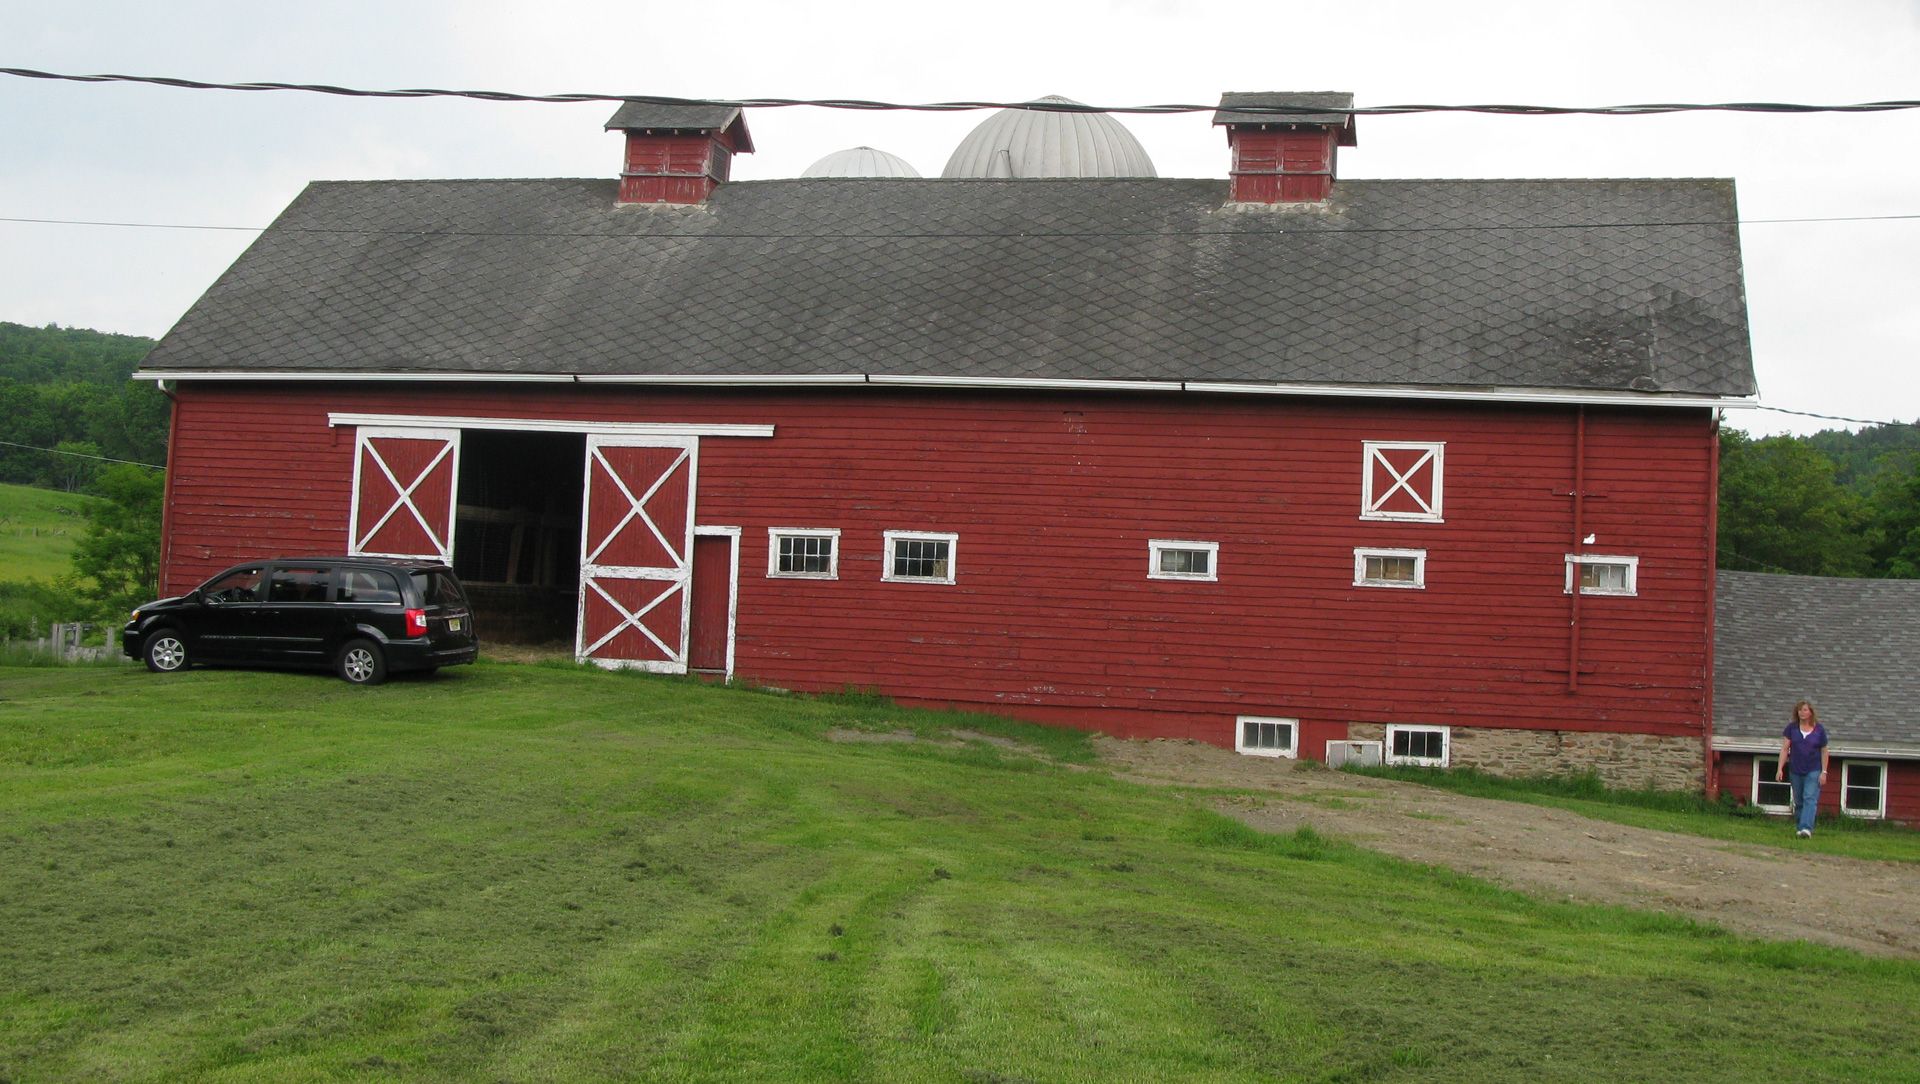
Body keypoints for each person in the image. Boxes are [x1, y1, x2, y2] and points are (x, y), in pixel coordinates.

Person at [1775, 700, 1830, 838]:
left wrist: (1824, 771)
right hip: (1796, 770)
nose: (1802, 712)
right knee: (1799, 800)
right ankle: (1800, 827)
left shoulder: (1819, 730)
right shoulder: (1791, 729)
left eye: (1805, 710)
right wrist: (1779, 768)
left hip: (1813, 769)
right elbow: (1785, 749)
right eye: (1800, 710)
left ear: (1811, 712)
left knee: (1809, 798)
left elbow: (1824, 751)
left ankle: (1806, 828)